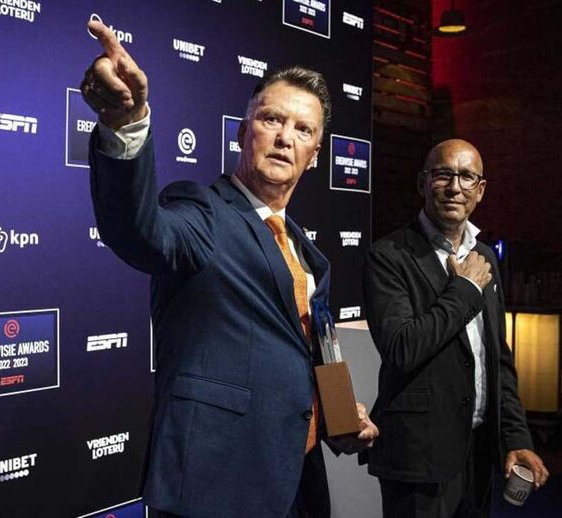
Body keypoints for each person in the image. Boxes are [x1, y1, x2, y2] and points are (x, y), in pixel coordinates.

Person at [80, 19, 378, 518]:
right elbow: (138, 230)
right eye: (272, 119)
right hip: (213, 488)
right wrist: (125, 122)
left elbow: (309, 351)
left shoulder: (306, 252)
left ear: (315, 155)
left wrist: (339, 416)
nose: (285, 138)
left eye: (303, 129)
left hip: (295, 481)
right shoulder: (202, 213)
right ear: (242, 132)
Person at [361, 139, 548, 517]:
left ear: (481, 190)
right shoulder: (388, 256)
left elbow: (498, 359)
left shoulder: (485, 258)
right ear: (422, 183)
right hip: (418, 458)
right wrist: (464, 290)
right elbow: (401, 348)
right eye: (443, 174)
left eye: (467, 177)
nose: (454, 187)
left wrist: (516, 436)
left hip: (478, 454)